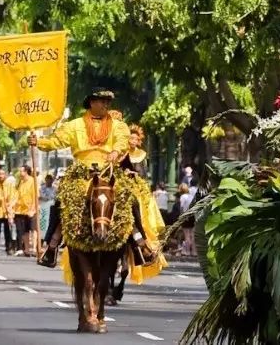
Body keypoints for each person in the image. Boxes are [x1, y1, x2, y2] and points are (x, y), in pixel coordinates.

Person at [28, 90, 167, 287]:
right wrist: (39, 142)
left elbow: (122, 140)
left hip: (109, 172)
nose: (106, 105)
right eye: (103, 102)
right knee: (61, 201)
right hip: (81, 173)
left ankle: (140, 243)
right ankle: (52, 245)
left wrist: (116, 152)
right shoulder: (75, 125)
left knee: (129, 198)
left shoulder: (118, 125)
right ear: (92, 102)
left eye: (108, 102)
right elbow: (56, 140)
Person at [13, 164, 38, 257]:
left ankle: (35, 248)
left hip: (31, 210)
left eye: (22, 171)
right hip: (20, 210)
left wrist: (33, 209)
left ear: (26, 171)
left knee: (33, 229)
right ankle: (27, 249)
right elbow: (17, 194)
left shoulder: (32, 181)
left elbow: (35, 196)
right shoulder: (20, 182)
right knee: (24, 231)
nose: (20, 173)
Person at [37, 172, 56, 254]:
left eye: (50, 179)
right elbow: (42, 196)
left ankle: (48, 241)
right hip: (43, 209)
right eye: (48, 179)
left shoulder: (55, 189)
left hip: (51, 209)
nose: (49, 181)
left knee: (50, 225)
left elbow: (54, 197)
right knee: (42, 225)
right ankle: (40, 242)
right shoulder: (42, 188)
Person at [178, 184, 197, 255]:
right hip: (192, 216)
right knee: (192, 235)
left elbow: (182, 208)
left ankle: (187, 251)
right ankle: (194, 252)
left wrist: (181, 217)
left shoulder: (183, 197)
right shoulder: (191, 196)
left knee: (187, 235)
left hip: (186, 216)